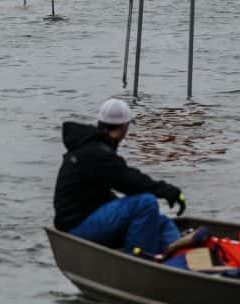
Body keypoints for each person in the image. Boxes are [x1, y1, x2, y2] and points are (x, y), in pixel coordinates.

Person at [54, 99, 186, 258]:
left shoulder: (91, 147)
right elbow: (131, 182)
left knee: (161, 222)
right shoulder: (98, 153)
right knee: (146, 203)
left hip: (86, 218)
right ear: (125, 126)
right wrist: (168, 191)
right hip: (76, 228)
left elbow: (104, 191)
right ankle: (139, 259)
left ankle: (180, 260)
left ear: (100, 122)